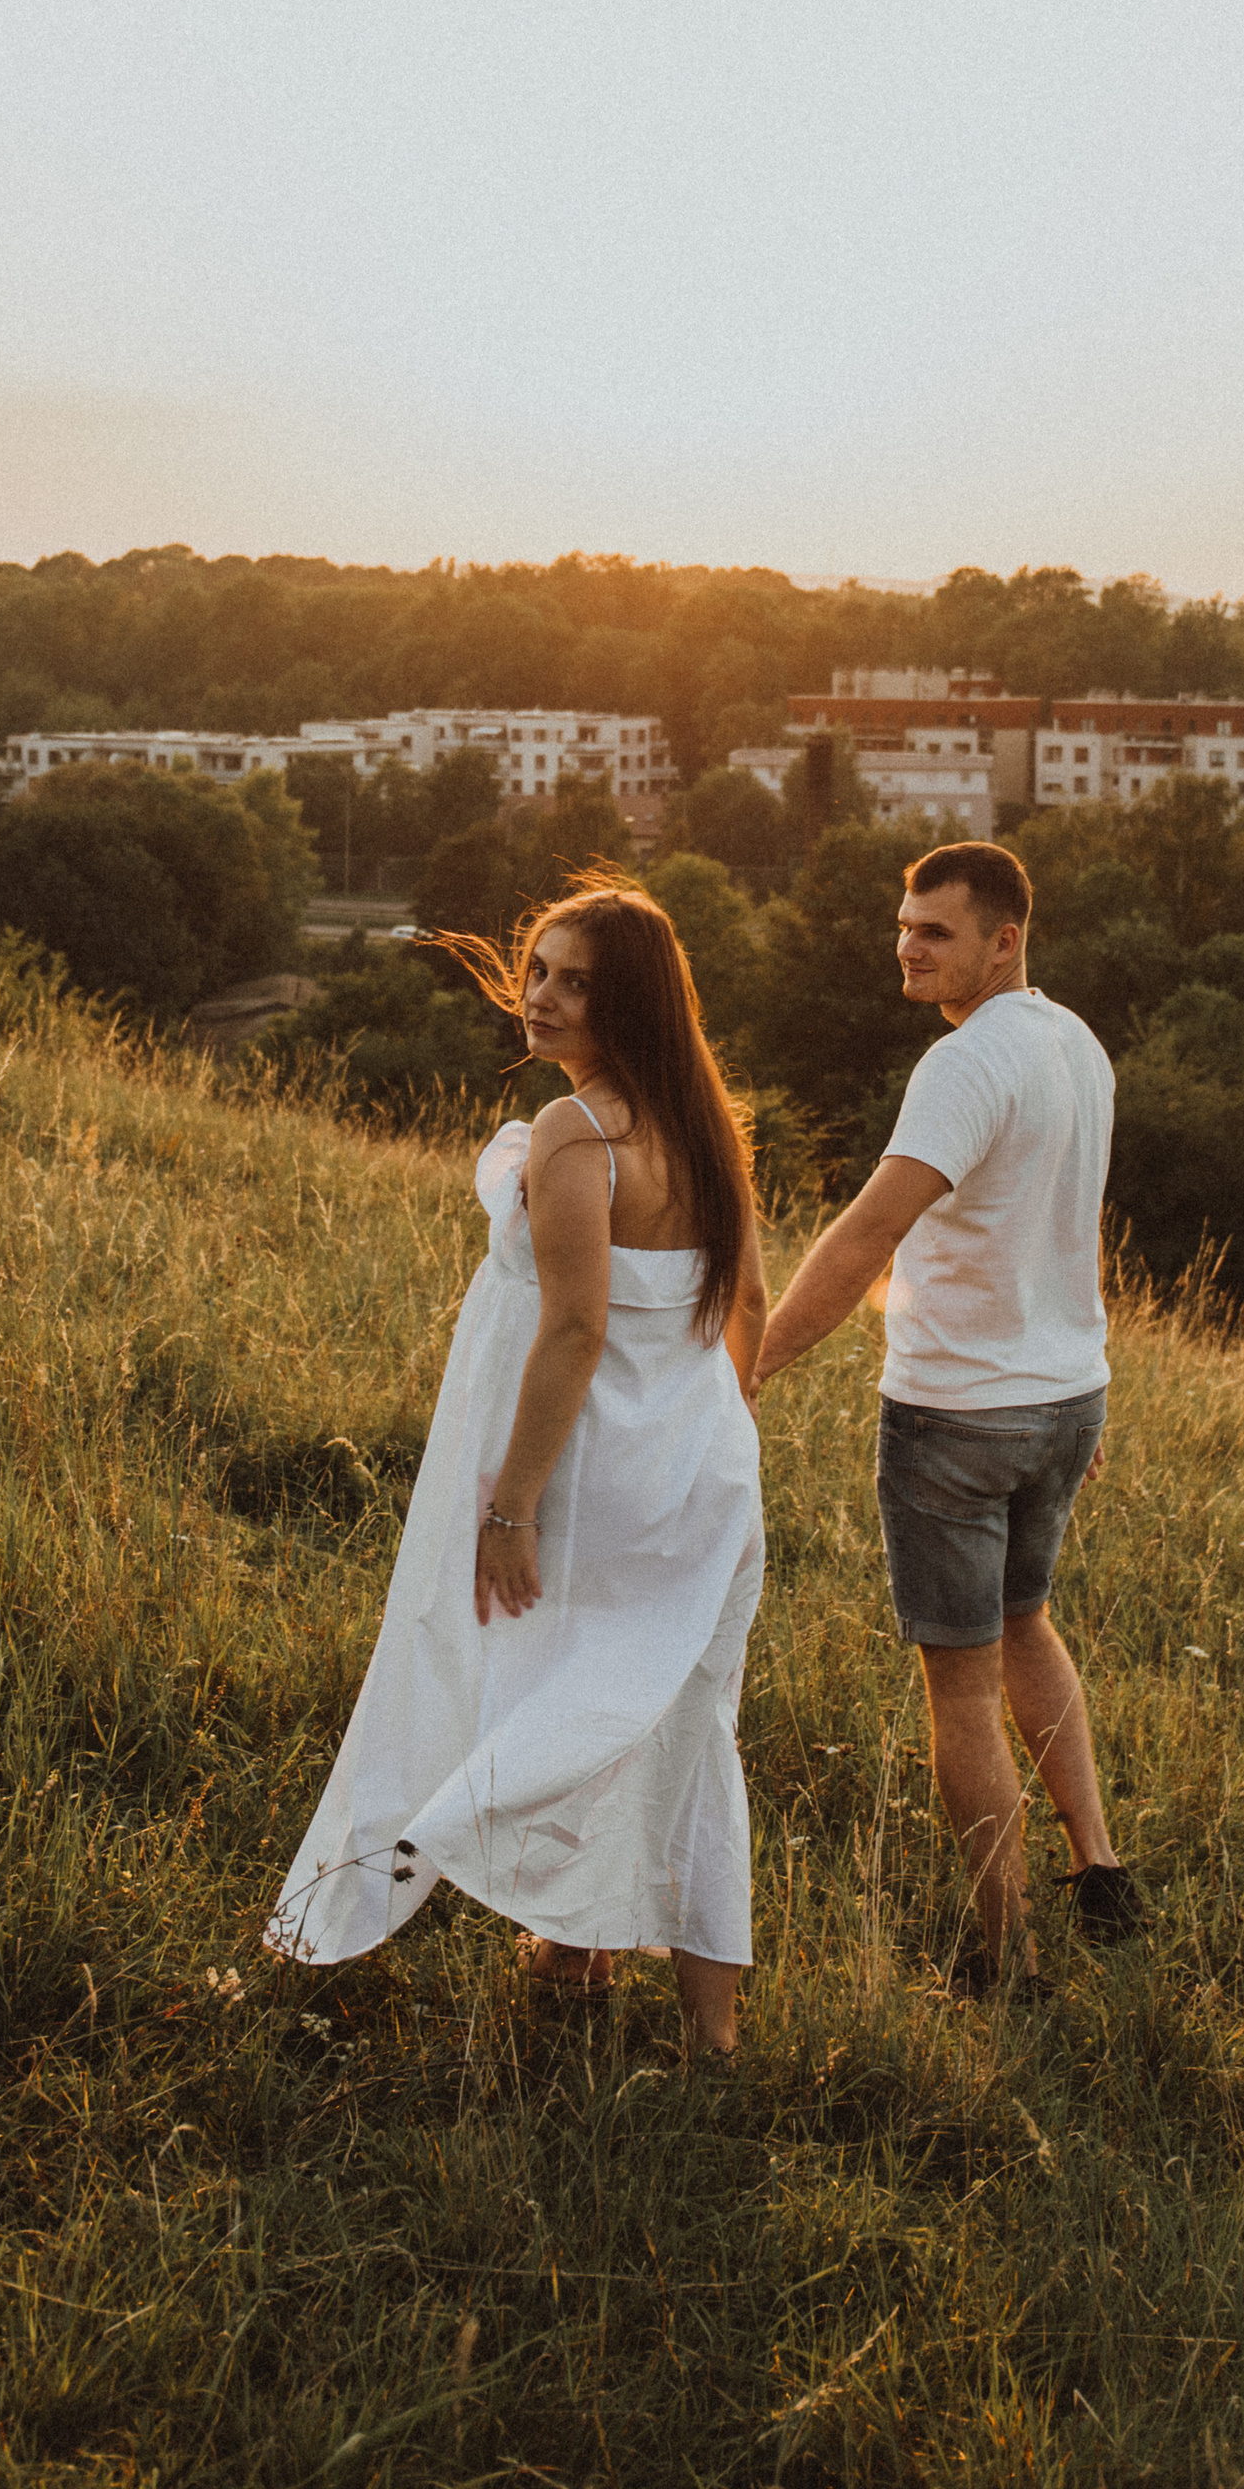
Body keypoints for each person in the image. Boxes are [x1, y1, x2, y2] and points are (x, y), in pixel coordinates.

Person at [265, 875, 767, 2058]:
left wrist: (512, 1505)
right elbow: (742, 1304)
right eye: (536, 969)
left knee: (479, 1676)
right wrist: (715, 1429)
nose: (539, 997)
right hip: (694, 1473)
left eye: (574, 982)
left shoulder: (576, 1131)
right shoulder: (703, 1126)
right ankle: (673, 2012)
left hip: (587, 1475)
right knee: (670, 1719)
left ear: (629, 1004)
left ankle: (385, 1878)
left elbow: (576, 1328)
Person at [750, 839, 1140, 1993]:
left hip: (960, 1421)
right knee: (1027, 1623)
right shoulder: (1077, 1044)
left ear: (1003, 939)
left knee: (961, 1683)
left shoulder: (968, 1066)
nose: (907, 949)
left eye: (935, 932)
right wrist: (1079, 1381)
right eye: (905, 926)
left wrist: (750, 1362)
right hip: (1062, 1401)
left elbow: (868, 1230)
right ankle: (1100, 1866)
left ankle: (1004, 1957)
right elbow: (1064, 1225)